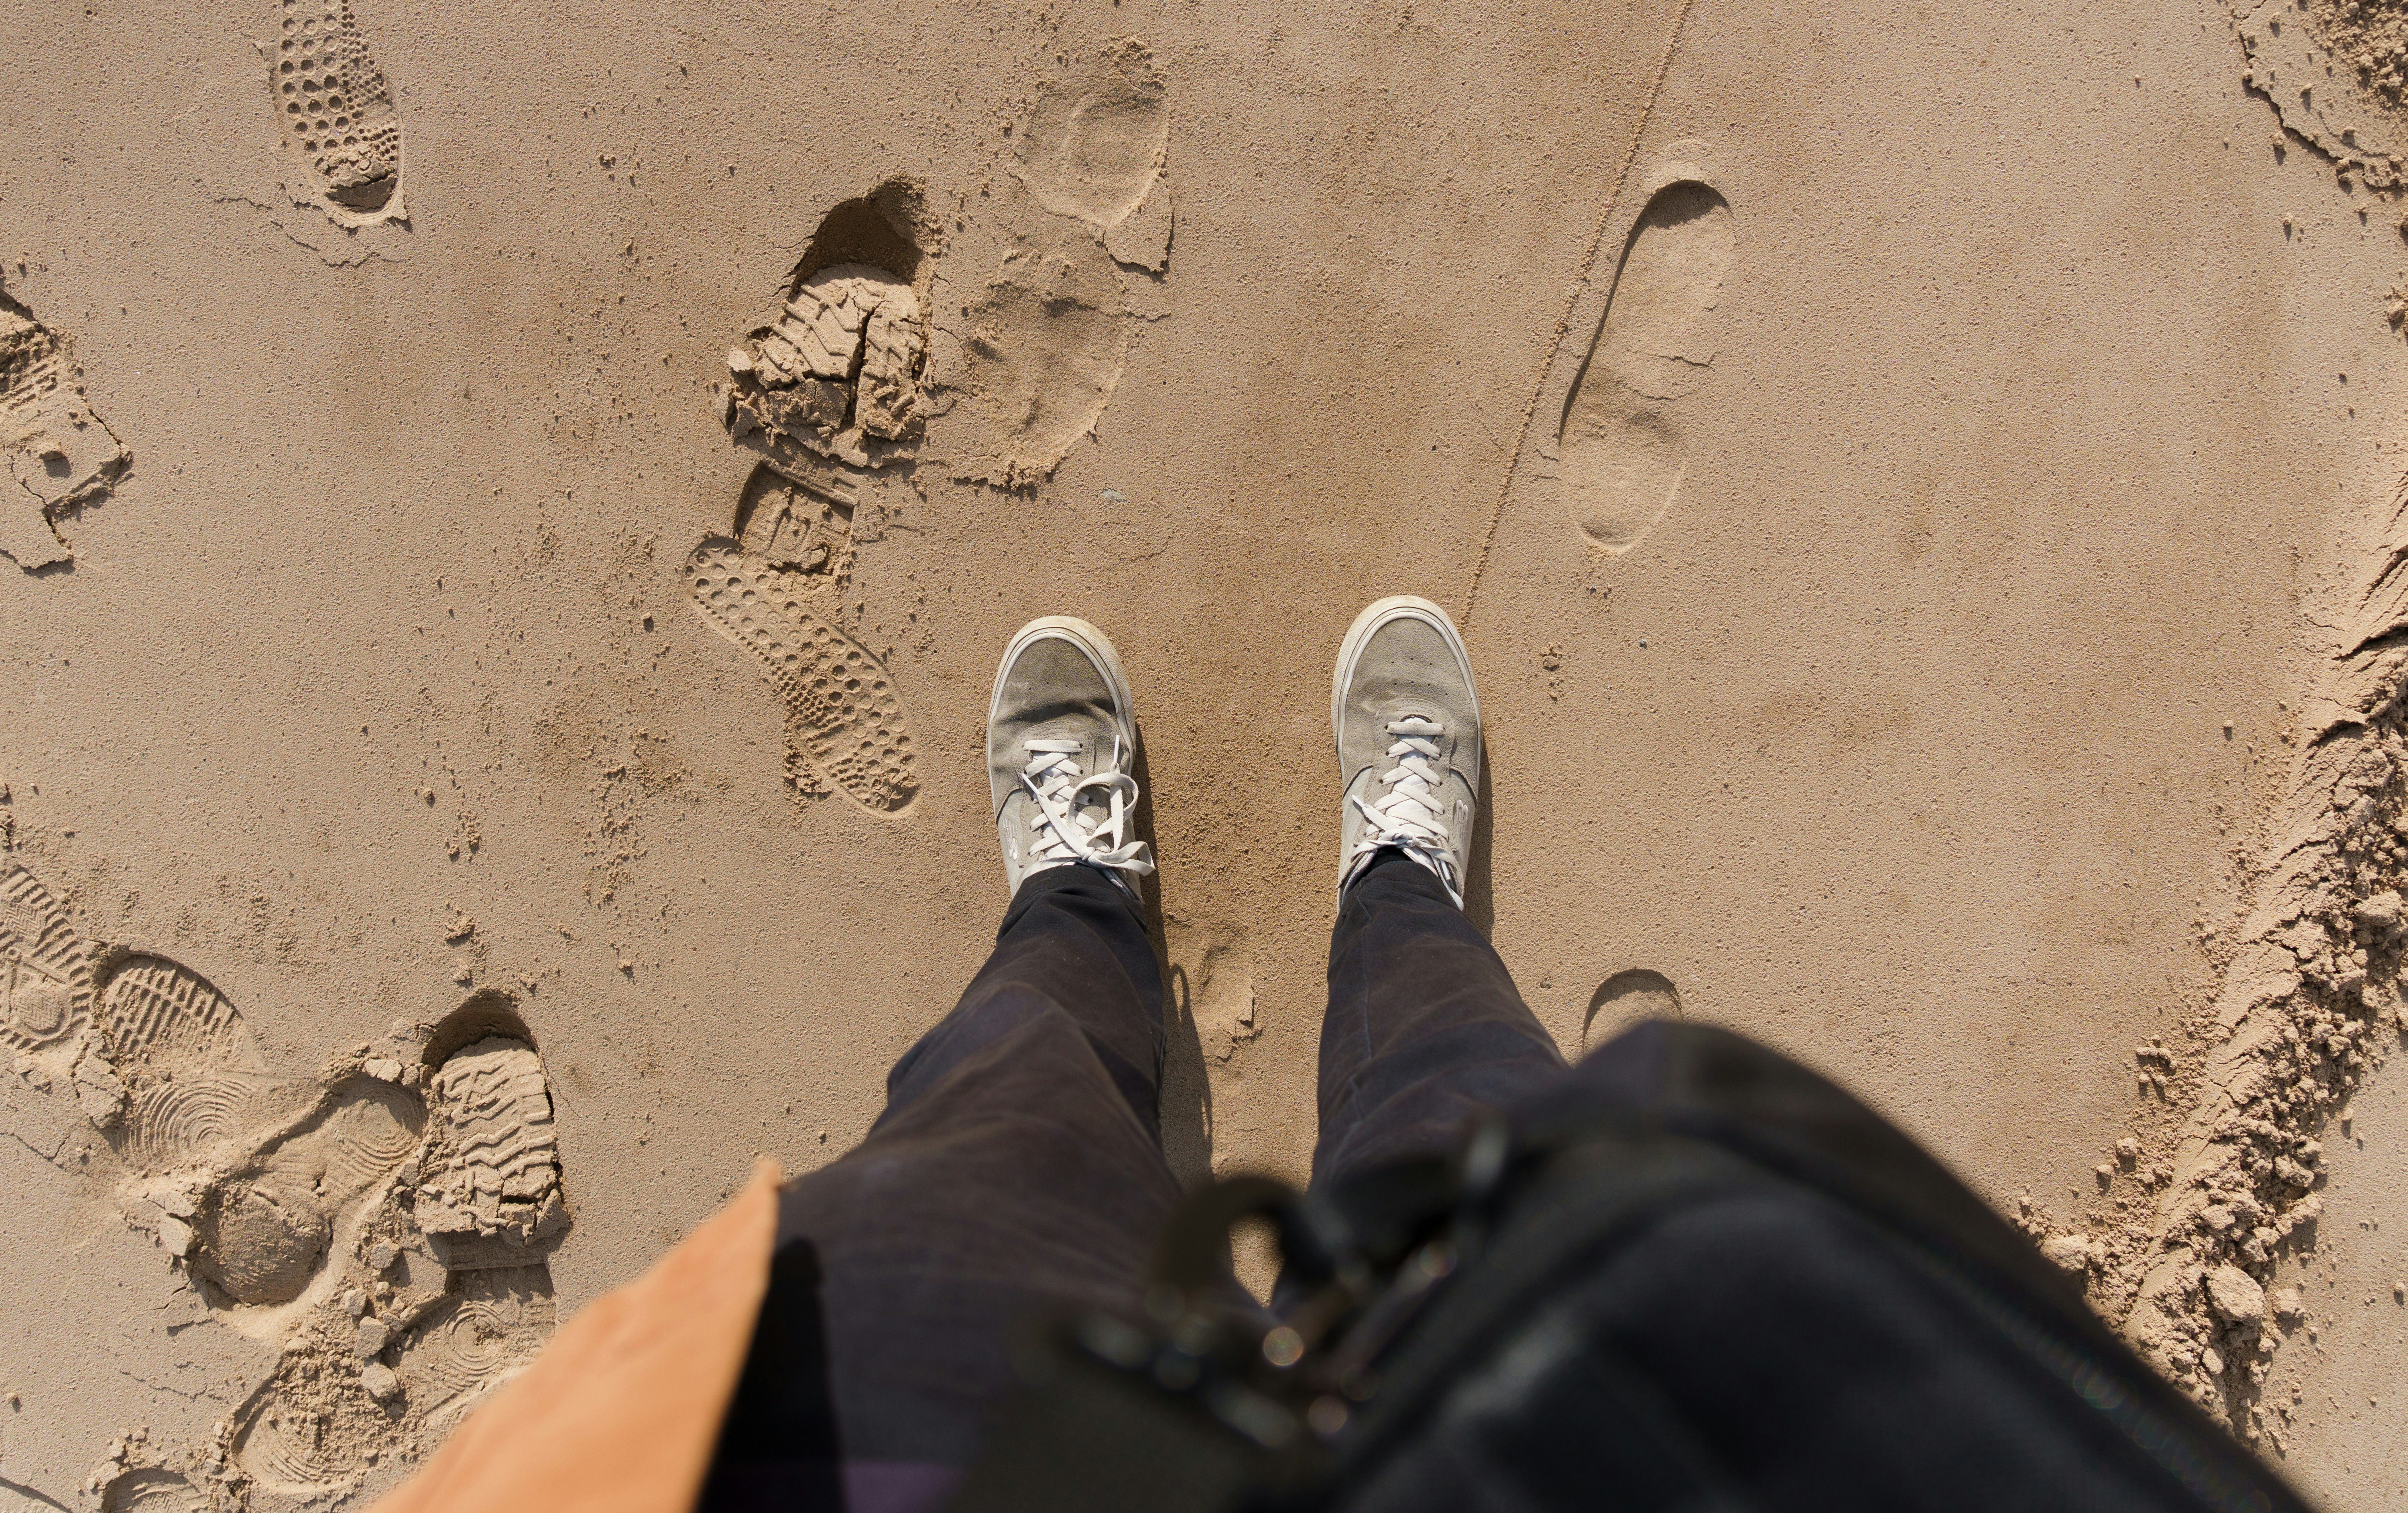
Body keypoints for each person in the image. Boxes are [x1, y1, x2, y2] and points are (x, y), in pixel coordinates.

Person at [374, 599, 2310, 1513]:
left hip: (818, 1470)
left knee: (997, 1131)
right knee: (1481, 1148)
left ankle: (1090, 922)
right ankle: (1398, 903)